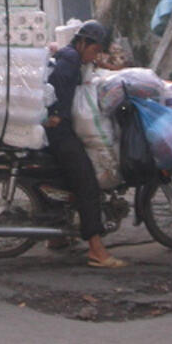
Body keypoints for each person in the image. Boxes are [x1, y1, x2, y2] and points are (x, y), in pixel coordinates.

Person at [45, 20, 128, 268]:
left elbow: (96, 66)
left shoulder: (74, 56)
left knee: (65, 179)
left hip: (59, 128)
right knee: (87, 182)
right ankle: (96, 249)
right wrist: (56, 112)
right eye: (93, 50)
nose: (94, 55)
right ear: (82, 42)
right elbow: (57, 82)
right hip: (59, 131)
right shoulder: (69, 58)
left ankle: (56, 237)